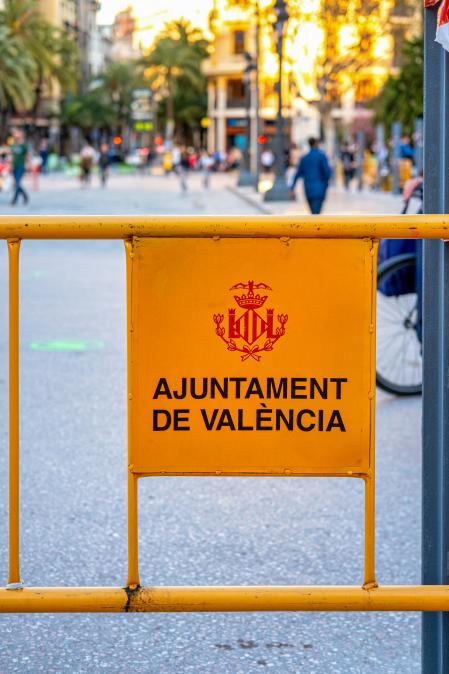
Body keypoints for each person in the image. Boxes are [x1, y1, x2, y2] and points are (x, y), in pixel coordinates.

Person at [290, 138, 331, 214]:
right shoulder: (321, 156)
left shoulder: (305, 158)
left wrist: (292, 187)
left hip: (308, 189)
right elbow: (327, 172)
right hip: (320, 188)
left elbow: (298, 173)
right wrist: (326, 183)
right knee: (317, 213)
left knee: (313, 212)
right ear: (316, 144)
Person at [10, 128, 29, 206]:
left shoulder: (24, 145)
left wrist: (28, 165)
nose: (14, 134)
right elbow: (12, 155)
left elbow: (27, 155)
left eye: (16, 133)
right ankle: (25, 195)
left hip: (21, 166)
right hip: (14, 166)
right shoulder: (13, 144)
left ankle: (15, 199)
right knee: (16, 184)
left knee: (17, 183)